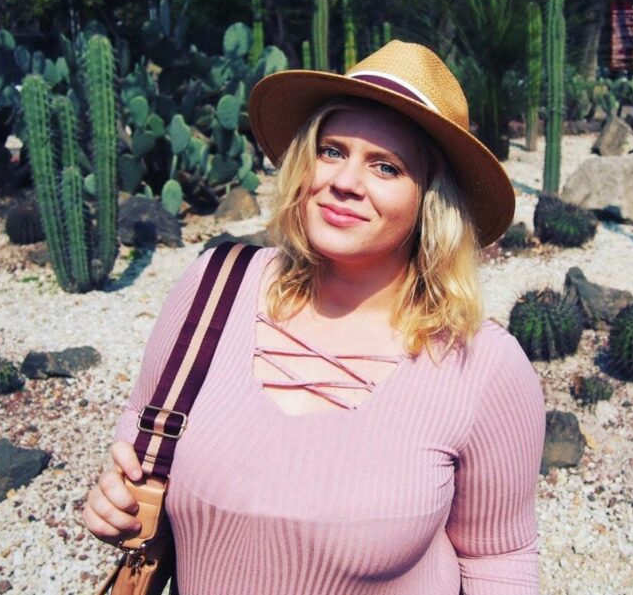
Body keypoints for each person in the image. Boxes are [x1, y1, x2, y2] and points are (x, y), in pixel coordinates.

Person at [83, 40, 546, 594]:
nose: (345, 182)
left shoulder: (482, 365)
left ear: (431, 199)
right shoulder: (213, 290)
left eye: (386, 166)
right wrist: (116, 506)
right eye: (331, 151)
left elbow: (499, 558)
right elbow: (141, 446)